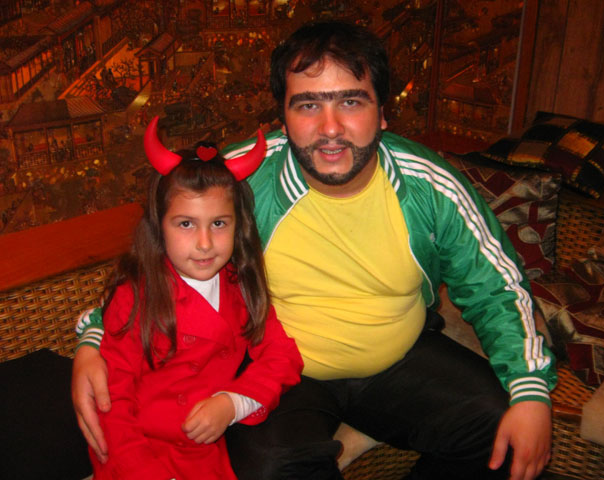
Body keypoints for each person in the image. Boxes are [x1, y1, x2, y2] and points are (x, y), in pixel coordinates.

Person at [72, 21, 556, 480]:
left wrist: (531, 392)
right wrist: (93, 339)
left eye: (351, 101)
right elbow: (161, 256)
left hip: (401, 356)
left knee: (505, 430)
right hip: (284, 370)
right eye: (307, 105)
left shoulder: (429, 185)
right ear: (282, 118)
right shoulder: (241, 178)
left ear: (383, 113)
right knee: (269, 470)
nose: (330, 128)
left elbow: (496, 287)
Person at [85, 117, 302, 479]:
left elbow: (283, 356)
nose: (205, 243)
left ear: (238, 225)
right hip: (137, 454)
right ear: (159, 226)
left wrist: (233, 403)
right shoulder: (134, 297)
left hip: (203, 451)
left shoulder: (240, 286)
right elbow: (113, 403)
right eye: (186, 224)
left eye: (219, 223)